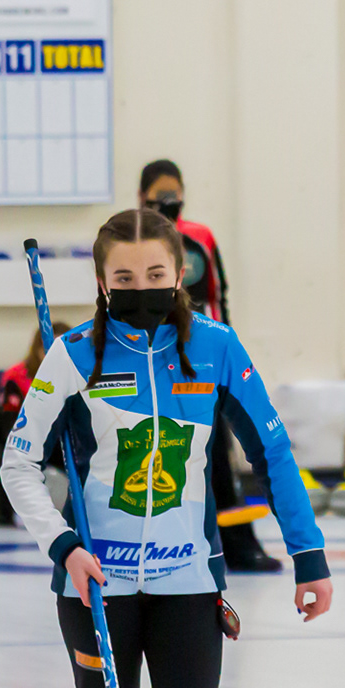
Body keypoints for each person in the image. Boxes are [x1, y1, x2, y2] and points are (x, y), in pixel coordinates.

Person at [0, 207, 332, 688]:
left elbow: (273, 451)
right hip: (95, 590)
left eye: (155, 273)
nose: (142, 286)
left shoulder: (214, 348)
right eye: (124, 276)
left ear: (179, 273)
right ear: (101, 281)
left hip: (187, 584)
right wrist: (64, 544)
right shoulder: (73, 355)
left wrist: (308, 554)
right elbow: (18, 465)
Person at [139, 159, 279, 573]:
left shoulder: (200, 237)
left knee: (217, 449)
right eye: (159, 195)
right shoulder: (132, 238)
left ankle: (237, 544)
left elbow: (219, 297)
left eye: (174, 193)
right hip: (151, 361)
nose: (168, 201)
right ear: (142, 197)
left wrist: (224, 356)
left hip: (198, 361)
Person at [0, 321, 70, 525]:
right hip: (13, 435)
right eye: (48, 348)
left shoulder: (77, 377)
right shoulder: (16, 376)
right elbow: (7, 422)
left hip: (57, 438)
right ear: (37, 349)